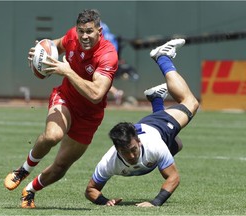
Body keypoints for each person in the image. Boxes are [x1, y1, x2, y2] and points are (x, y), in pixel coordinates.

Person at [4, 9, 118, 208]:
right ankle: (23, 170)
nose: (84, 36)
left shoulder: (108, 55)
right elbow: (54, 45)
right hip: (65, 98)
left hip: (90, 115)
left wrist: (67, 71)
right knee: (52, 136)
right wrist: (40, 52)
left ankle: (29, 190)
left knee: (61, 166)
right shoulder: (72, 36)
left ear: (99, 31)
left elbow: (96, 94)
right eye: (81, 31)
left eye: (89, 31)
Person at [85, 38, 200, 207]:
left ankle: (163, 57)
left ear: (138, 141)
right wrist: (105, 201)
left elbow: (173, 177)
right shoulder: (109, 161)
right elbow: (90, 190)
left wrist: (155, 203)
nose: (131, 156)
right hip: (152, 135)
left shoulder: (153, 145)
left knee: (191, 103)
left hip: (157, 127)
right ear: (117, 149)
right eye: (125, 152)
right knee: (177, 144)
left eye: (133, 149)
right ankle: (156, 98)